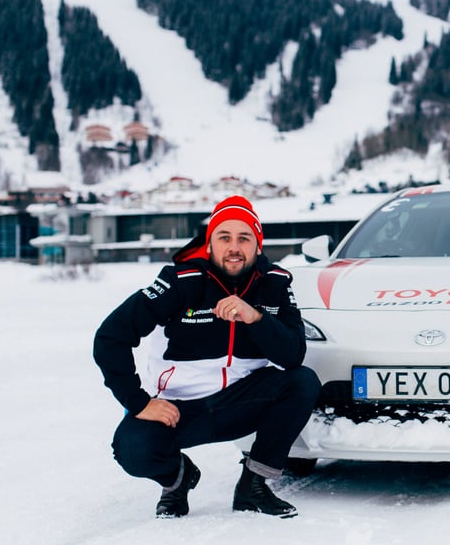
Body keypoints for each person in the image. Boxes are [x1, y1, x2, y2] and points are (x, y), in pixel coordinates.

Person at [93, 195, 320, 519]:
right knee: (131, 447)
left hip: (242, 400)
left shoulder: (276, 283)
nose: (234, 247)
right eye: (224, 237)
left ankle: (253, 484)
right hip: (181, 408)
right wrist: (140, 402)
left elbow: (293, 355)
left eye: (245, 238)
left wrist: (256, 318)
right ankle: (178, 479)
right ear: (209, 244)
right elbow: (110, 337)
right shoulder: (179, 282)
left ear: (258, 245)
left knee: (302, 382)